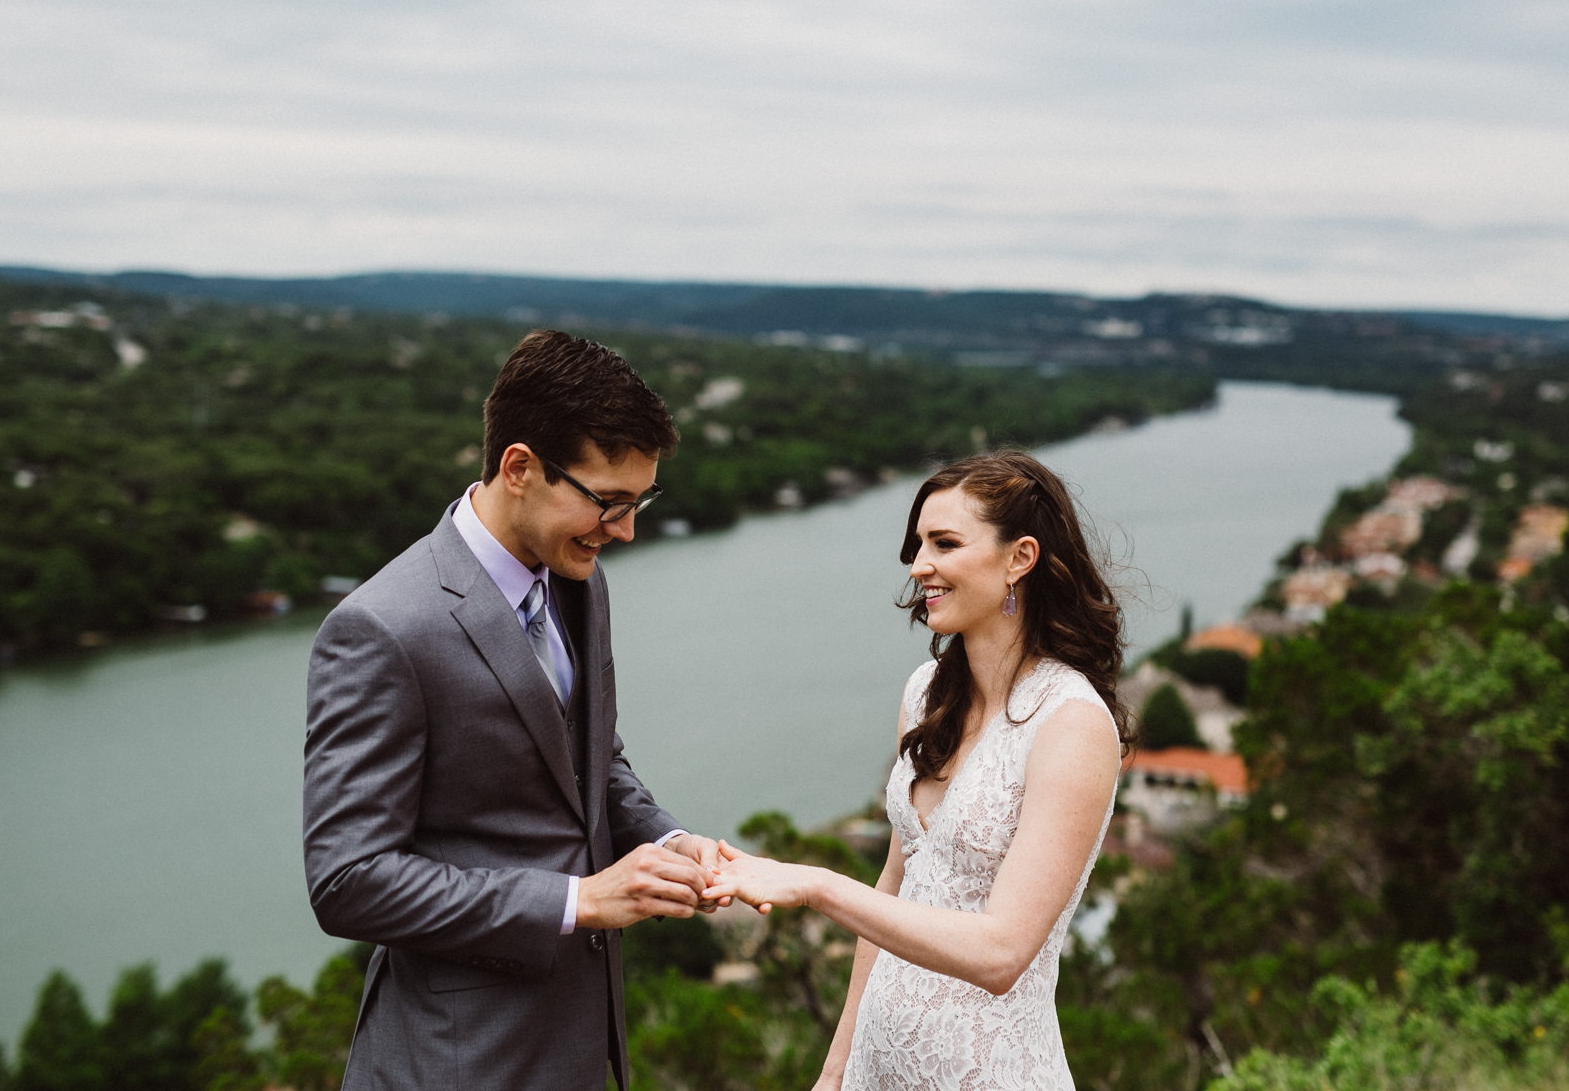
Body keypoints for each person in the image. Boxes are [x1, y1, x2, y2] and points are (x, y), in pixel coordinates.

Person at [302, 330, 728, 1091]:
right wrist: (579, 900)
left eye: (640, 502)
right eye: (609, 501)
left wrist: (670, 840)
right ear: (521, 468)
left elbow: (592, 761)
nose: (626, 530)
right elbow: (349, 879)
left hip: (578, 1048)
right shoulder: (383, 628)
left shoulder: (577, 577)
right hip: (456, 1061)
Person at [708, 451, 1133, 1090]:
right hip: (878, 1069)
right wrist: (838, 1065)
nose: (919, 565)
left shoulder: (1071, 723)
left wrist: (818, 886)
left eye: (944, 543)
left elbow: (1000, 954)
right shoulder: (925, 692)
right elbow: (897, 881)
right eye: (918, 544)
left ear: (1020, 558)